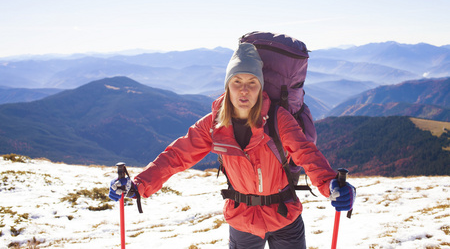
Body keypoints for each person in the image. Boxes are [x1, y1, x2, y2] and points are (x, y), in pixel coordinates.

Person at [109, 42, 356, 248]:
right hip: (242, 222)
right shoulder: (214, 123)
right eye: (237, 81)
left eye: (252, 83)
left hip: (285, 217)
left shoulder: (278, 119)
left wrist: (331, 184)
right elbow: (177, 155)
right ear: (227, 85)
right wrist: (138, 185)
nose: (244, 90)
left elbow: (306, 154)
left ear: (261, 88)